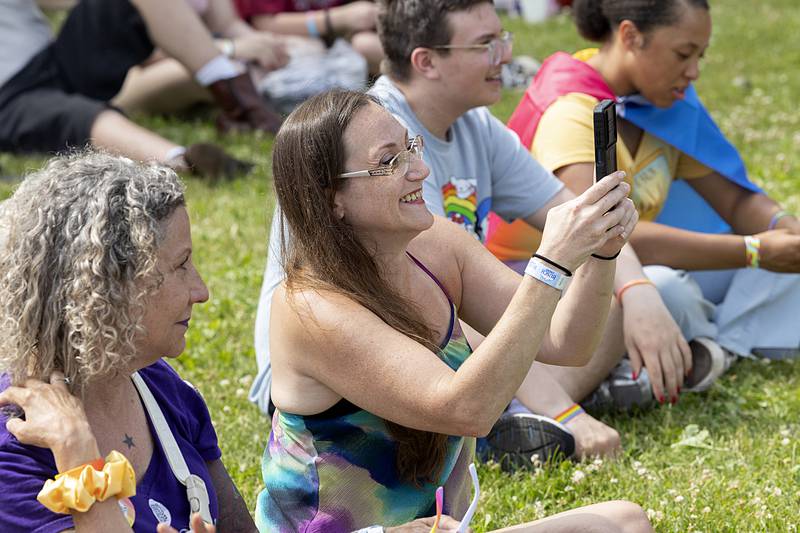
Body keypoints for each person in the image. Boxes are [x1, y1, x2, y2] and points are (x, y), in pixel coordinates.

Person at [250, 0, 649, 465]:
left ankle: (524, 421)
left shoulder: (438, 240)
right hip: (355, 507)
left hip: (441, 492)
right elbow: (467, 410)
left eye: (411, 149)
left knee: (626, 521)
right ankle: (520, 425)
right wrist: (550, 268)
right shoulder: (310, 307)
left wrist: (603, 255)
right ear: (332, 198)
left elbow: (567, 343)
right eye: (390, 162)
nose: (419, 170)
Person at [488, 0, 800, 391]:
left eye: (700, 56)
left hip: (638, 269)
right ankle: (696, 348)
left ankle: (709, 348)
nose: (694, 72)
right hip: (565, 283)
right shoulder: (570, 108)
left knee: (786, 272)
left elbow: (736, 202)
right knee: (666, 288)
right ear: (630, 36)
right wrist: (754, 251)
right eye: (683, 55)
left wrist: (785, 229)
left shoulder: (663, 99)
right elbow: (603, 240)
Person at [0, 0, 286, 179]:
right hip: (10, 95)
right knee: (83, 118)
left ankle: (239, 98)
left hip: (53, 60)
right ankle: (183, 161)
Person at [233, 0, 383, 74]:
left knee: (366, 45)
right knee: (311, 47)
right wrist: (336, 19)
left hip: (345, 38)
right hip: (288, 42)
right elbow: (264, 23)